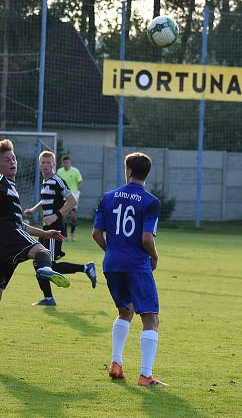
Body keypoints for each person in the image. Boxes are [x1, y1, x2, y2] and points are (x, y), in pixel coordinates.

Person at [0, 139, 71, 364]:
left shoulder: (11, 190)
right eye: (7, 159)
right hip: (6, 235)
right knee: (42, 253)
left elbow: (22, 226)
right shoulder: (0, 180)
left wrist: (47, 234)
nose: (13, 162)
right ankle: (44, 270)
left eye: (14, 159)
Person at [92, 152, 165, 387]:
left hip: (112, 265)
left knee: (125, 311)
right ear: (146, 173)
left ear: (129, 171)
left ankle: (116, 362)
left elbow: (95, 234)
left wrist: (112, 252)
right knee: (151, 318)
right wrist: (154, 257)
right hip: (137, 265)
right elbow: (146, 238)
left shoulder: (107, 197)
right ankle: (145, 375)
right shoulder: (151, 201)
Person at [27, 150, 96, 306]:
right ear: (39, 164)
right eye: (43, 162)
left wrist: (56, 216)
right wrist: (33, 210)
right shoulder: (46, 182)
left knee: (46, 264)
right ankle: (49, 298)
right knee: (40, 263)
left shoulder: (57, 180)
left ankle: (86, 268)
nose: (45, 165)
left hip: (54, 228)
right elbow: (45, 202)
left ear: (54, 164)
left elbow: (72, 201)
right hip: (46, 228)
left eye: (48, 163)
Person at [56, 155, 83, 241]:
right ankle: (65, 235)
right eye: (64, 162)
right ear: (62, 163)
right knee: (63, 216)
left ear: (70, 162)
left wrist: (77, 193)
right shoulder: (59, 171)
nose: (66, 164)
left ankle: (73, 234)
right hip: (63, 198)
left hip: (72, 198)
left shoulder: (75, 171)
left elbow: (80, 182)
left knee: (74, 216)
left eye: (67, 162)